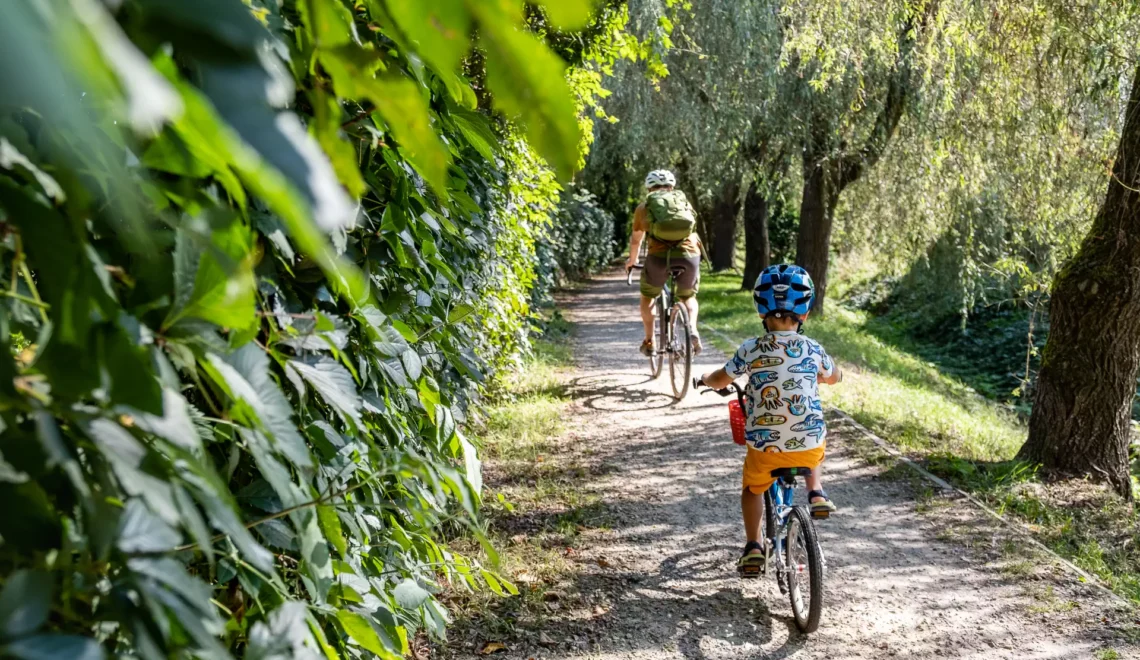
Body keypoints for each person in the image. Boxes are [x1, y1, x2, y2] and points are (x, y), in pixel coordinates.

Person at [696, 264, 842, 576]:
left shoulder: (751, 349)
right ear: (804, 313)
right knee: (814, 431)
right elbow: (834, 376)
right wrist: (825, 375)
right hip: (807, 447)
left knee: (752, 489)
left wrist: (706, 378)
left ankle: (754, 547)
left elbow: (721, 379)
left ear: (762, 310)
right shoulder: (814, 349)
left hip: (766, 450)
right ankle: (815, 490)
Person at [624, 169, 703, 357]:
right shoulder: (684, 203)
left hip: (658, 258)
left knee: (648, 297)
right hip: (689, 255)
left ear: (649, 188)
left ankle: (650, 341)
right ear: (672, 187)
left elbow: (636, 240)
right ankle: (692, 328)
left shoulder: (644, 207)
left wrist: (632, 261)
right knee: (688, 297)